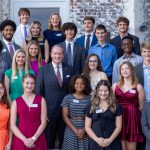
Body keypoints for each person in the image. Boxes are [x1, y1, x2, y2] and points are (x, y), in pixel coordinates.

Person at [36, 45, 72, 149]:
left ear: (63, 55)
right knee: (49, 140)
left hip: (65, 111)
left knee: (64, 139)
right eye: (55, 53)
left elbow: (72, 90)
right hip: (48, 112)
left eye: (60, 53)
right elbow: (39, 93)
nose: (57, 56)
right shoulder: (43, 70)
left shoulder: (69, 68)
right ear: (51, 54)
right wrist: (42, 113)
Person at [112, 61, 145, 150]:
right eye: (122, 69)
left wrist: (135, 116)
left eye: (127, 68)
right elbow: (112, 103)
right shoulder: (115, 86)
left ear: (132, 71)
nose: (124, 71)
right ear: (120, 72)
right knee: (120, 142)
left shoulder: (138, 87)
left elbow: (141, 107)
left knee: (131, 144)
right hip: (120, 117)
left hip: (133, 117)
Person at [10, 74, 47, 150]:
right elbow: (12, 125)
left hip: (38, 137)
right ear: (23, 84)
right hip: (21, 138)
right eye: (27, 83)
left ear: (35, 84)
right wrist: (24, 140)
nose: (29, 86)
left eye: (32, 83)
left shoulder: (41, 100)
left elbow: (44, 122)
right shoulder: (16, 102)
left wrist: (34, 138)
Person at [85, 80, 122, 150]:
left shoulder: (116, 106)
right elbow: (87, 126)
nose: (103, 93)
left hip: (112, 142)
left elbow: (119, 126)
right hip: (95, 142)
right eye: (100, 90)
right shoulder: (90, 106)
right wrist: (97, 139)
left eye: (106, 91)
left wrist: (110, 140)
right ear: (97, 91)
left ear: (110, 91)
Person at [61, 75, 91, 150]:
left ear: (85, 85)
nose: (79, 85)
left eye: (82, 83)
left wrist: (84, 130)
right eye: (77, 83)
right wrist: (76, 130)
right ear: (73, 84)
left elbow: (92, 116)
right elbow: (65, 116)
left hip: (86, 129)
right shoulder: (67, 97)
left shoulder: (90, 99)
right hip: (71, 129)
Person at [0, 82, 12, 150]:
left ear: (4, 90)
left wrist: (10, 142)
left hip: (4, 139)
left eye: (0, 88)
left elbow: (10, 127)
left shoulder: (7, 107)